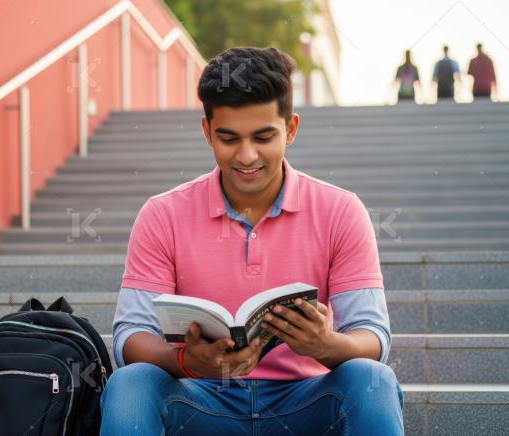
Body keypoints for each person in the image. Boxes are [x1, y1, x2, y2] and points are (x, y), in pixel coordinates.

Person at [100, 47, 404, 435]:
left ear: (291, 129)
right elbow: (131, 338)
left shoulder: (340, 210)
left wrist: (324, 344)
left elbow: (372, 336)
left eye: (263, 137)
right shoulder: (162, 214)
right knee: (130, 385)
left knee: (369, 379)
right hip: (201, 402)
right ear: (207, 131)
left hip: (305, 401)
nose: (246, 156)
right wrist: (191, 363)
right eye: (229, 138)